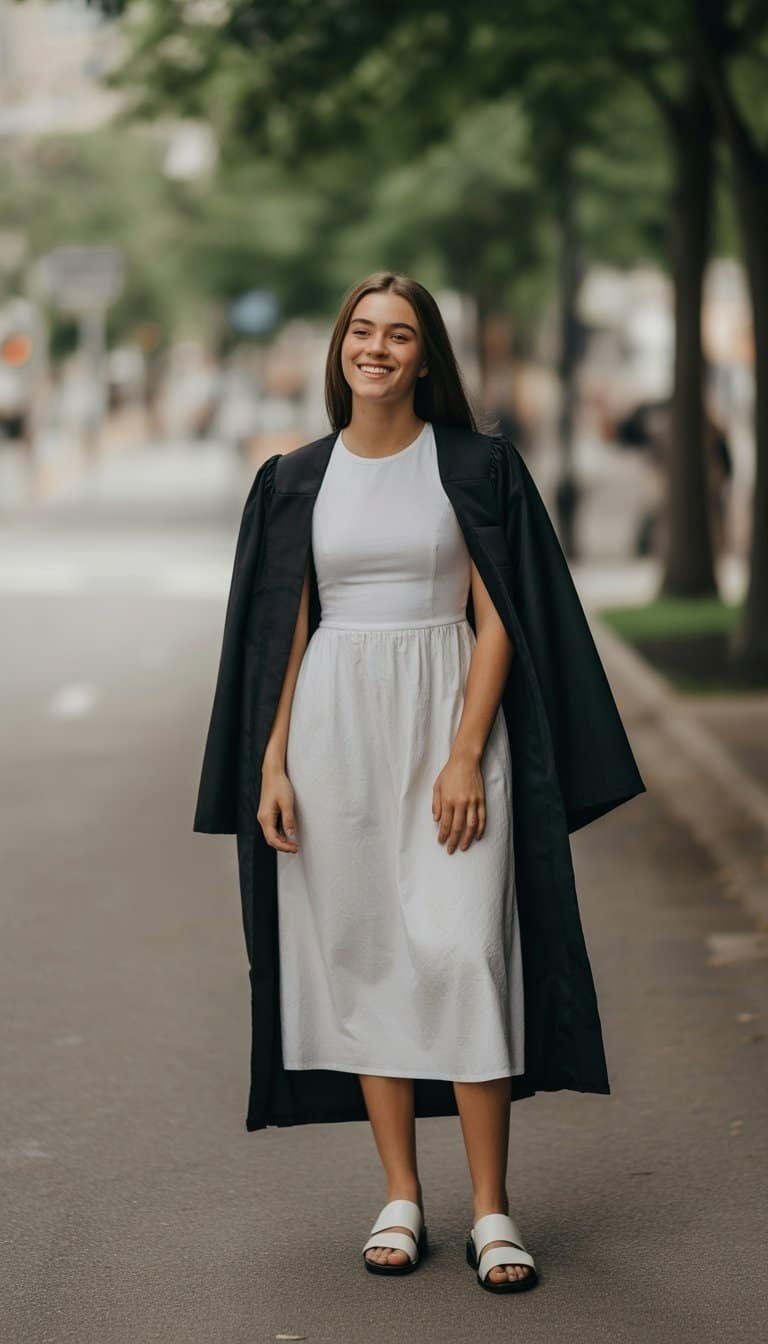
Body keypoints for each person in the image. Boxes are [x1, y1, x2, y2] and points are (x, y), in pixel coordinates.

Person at [193, 272, 646, 1295]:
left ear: (427, 355)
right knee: (364, 955)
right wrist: (269, 763)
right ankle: (401, 1192)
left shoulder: (475, 468)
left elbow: (501, 617)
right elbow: (285, 629)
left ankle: (492, 1208)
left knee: (464, 952)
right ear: (340, 350)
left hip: (447, 722)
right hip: (333, 733)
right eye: (363, 331)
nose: (378, 349)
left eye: (400, 335)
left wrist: (462, 752)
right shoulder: (296, 478)